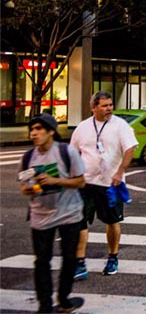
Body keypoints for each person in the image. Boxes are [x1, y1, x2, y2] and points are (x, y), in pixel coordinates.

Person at [19, 113, 86, 313]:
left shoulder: (67, 152)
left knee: (69, 257)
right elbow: (23, 186)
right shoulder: (29, 156)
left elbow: (80, 181)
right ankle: (45, 305)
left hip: (69, 213)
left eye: (39, 129)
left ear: (50, 132)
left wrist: (57, 181)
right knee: (41, 261)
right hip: (40, 215)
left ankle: (64, 298)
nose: (34, 133)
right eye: (32, 129)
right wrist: (28, 189)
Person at [70, 91, 138, 280]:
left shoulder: (120, 126)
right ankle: (80, 262)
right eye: (104, 105)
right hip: (85, 183)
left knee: (112, 221)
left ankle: (113, 257)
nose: (109, 108)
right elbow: (73, 152)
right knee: (80, 221)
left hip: (111, 183)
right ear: (93, 107)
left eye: (110, 105)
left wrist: (119, 172)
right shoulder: (83, 127)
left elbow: (130, 149)